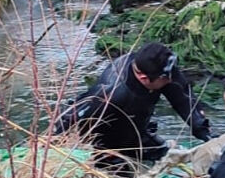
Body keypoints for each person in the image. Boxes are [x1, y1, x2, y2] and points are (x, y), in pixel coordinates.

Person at [53, 42, 214, 170]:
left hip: (137, 127)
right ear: (144, 78)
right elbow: (71, 116)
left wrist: (206, 135)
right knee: (124, 174)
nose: (172, 80)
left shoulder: (160, 69)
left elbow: (183, 99)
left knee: (166, 157)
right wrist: (54, 147)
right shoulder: (112, 92)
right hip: (106, 141)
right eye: (167, 78)